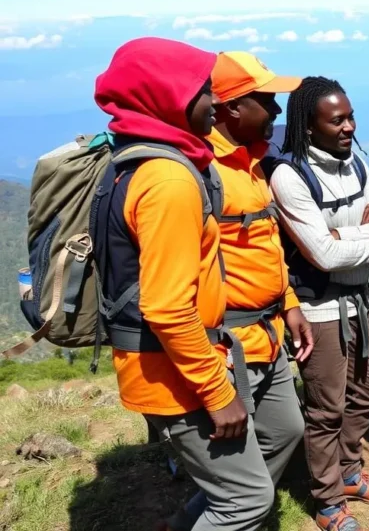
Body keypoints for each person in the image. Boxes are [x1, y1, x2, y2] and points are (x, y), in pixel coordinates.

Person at [92, 37, 273, 531]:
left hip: (172, 362)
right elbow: (168, 309)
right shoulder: (168, 182)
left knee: (247, 475)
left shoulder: (135, 160)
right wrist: (217, 393)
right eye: (203, 91)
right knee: (247, 501)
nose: (215, 103)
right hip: (178, 375)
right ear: (167, 96)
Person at [155, 51, 314, 531]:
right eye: (266, 99)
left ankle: (193, 519)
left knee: (287, 431)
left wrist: (288, 305)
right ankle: (225, 515)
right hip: (229, 347)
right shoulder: (201, 174)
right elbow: (176, 287)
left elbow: (262, 248)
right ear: (229, 108)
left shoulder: (252, 162)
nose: (278, 111)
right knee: (243, 490)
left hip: (268, 336)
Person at [269, 76, 369, 531]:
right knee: (327, 408)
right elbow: (321, 255)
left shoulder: (355, 163)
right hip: (319, 309)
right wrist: (364, 237)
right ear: (308, 126)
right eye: (337, 120)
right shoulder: (289, 176)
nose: (348, 127)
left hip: (359, 301)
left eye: (350, 117)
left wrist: (346, 236)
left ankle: (347, 471)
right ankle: (326, 502)